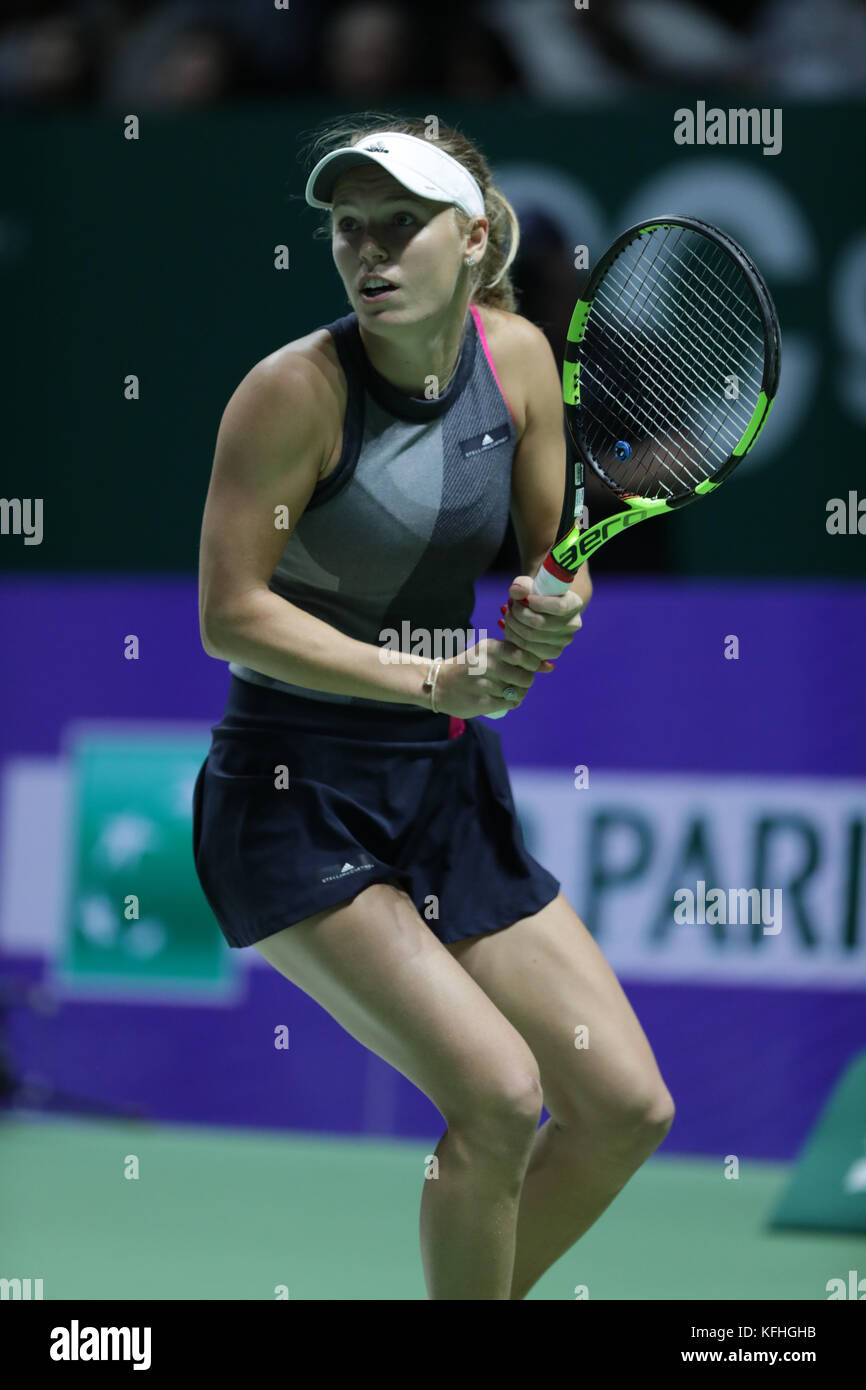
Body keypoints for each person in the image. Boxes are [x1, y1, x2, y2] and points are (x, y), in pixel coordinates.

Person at [192, 114, 674, 1300]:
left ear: (471, 241)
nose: (370, 252)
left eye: (401, 227)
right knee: (501, 1098)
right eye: (350, 229)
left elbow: (550, 554)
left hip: (442, 788)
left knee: (621, 1105)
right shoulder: (291, 393)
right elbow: (230, 615)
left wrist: (550, 610)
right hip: (293, 795)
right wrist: (430, 676)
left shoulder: (513, 363)